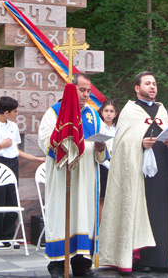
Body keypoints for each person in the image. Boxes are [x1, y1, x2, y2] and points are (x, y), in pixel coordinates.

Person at [99, 71, 168, 272]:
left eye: (154, 83)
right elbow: (121, 145)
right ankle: (140, 258)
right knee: (140, 212)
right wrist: (140, 143)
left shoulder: (162, 111)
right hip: (137, 176)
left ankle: (161, 259)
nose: (152, 87)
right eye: (147, 83)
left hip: (160, 173)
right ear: (137, 88)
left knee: (160, 213)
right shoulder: (130, 111)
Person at [38, 73, 107, 278]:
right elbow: (45, 140)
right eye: (82, 90)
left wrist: (101, 146)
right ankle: (57, 265)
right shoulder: (54, 113)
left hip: (86, 177)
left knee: (84, 216)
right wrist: (68, 148)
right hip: (63, 175)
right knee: (61, 215)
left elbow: (103, 151)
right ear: (72, 89)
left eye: (88, 91)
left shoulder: (93, 115)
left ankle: (82, 265)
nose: (86, 94)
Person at [0, 96, 45, 247]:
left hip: (12, 163)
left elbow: (16, 150)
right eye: (14, 111)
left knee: (12, 200)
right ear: (6, 112)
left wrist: (36, 159)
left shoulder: (13, 126)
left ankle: (9, 236)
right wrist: (1, 145)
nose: (16, 114)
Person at [97, 99, 119, 221]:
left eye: (111, 111)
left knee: (115, 197)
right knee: (102, 197)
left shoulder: (119, 128)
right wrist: (106, 163)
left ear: (116, 113)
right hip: (102, 164)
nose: (109, 114)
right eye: (106, 111)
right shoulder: (98, 126)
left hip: (116, 163)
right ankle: (101, 227)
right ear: (101, 112)